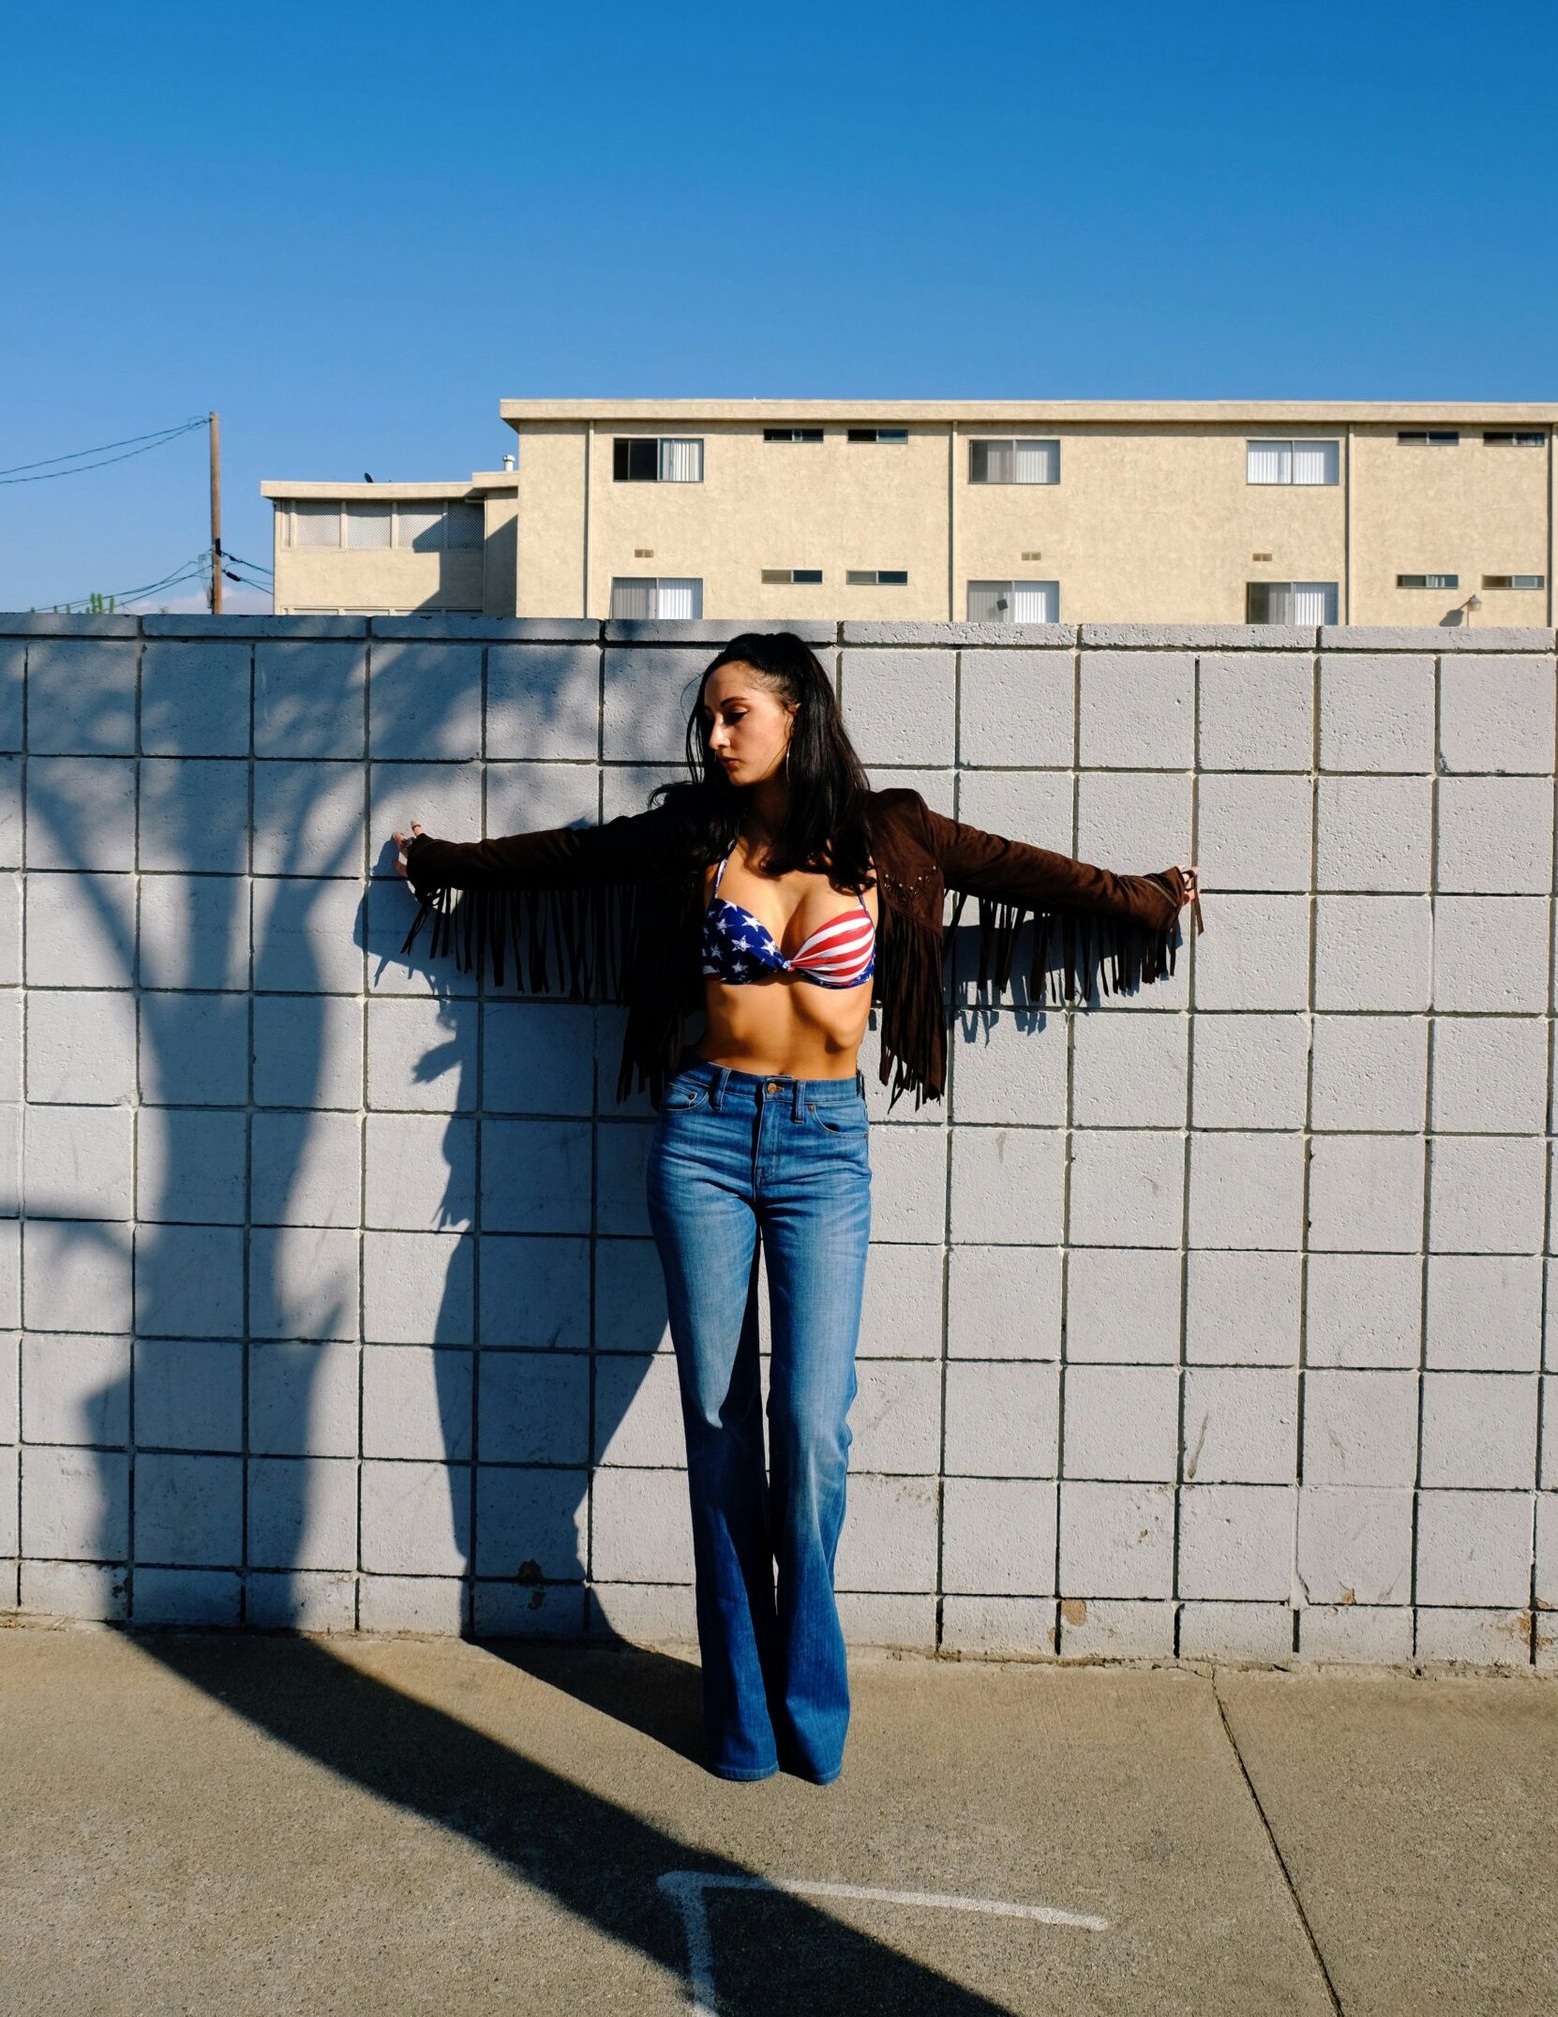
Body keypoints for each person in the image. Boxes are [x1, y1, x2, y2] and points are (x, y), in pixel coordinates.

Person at [393, 630, 1199, 1787]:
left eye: (734, 715)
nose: (713, 737)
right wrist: (447, 860)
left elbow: (1031, 875)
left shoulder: (895, 834)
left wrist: (1148, 897)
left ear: (795, 714)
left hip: (825, 1149)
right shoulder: (693, 836)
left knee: (810, 1426)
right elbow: (571, 856)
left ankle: (805, 1694)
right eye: (708, 719)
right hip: (703, 1138)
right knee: (720, 1434)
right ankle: (742, 1720)